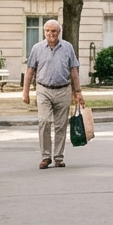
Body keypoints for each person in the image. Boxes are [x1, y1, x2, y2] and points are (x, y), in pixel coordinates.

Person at [22, 19, 83, 169]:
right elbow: (30, 71)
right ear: (44, 32)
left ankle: (58, 157)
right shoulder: (37, 48)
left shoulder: (68, 47)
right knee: (44, 121)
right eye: (48, 31)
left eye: (54, 31)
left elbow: (74, 70)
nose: (51, 34)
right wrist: (25, 92)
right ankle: (45, 156)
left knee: (61, 125)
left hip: (63, 89)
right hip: (43, 89)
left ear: (59, 32)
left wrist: (78, 91)